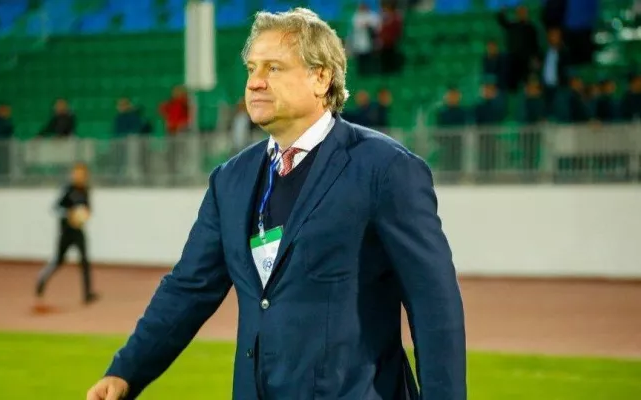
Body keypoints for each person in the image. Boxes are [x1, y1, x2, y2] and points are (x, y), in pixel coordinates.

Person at [87, 7, 466, 400]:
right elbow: (188, 289)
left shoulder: (385, 169)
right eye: (252, 69)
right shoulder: (230, 180)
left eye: (273, 68)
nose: (255, 82)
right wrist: (126, 371)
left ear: (321, 78)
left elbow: (433, 302)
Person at [35, 162, 99, 305]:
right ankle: (41, 281)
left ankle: (87, 294)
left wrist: (84, 215)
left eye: (82, 174)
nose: (79, 176)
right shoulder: (67, 190)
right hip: (66, 232)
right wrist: (69, 213)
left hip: (78, 231)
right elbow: (55, 208)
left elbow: (88, 209)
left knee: (85, 261)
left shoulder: (85, 190)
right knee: (59, 261)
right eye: (77, 173)